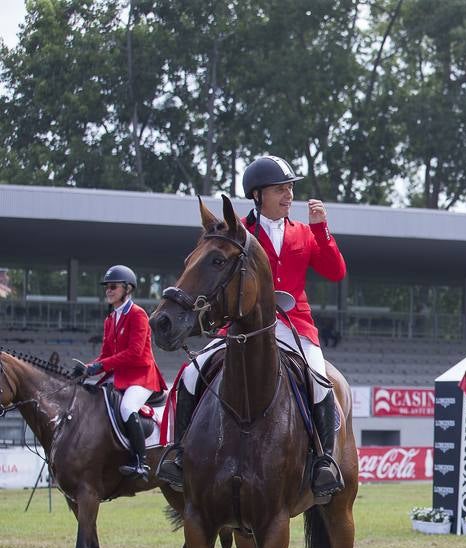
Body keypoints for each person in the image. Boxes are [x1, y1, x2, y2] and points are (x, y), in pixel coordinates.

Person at [158, 155, 348, 500]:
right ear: (258, 195)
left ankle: (322, 462)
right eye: (281, 189)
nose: (289, 195)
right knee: (189, 375)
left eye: (290, 188)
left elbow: (335, 272)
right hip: (241, 323)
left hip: (294, 323)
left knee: (320, 382)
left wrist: (321, 229)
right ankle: (179, 455)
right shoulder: (237, 233)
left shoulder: (304, 234)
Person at [73, 265, 167, 479]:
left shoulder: (138, 314)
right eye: (107, 287)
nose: (109, 290)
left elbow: (134, 353)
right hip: (120, 376)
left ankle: (140, 462)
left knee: (127, 407)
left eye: (113, 286)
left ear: (127, 288)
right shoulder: (110, 320)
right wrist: (88, 368)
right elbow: (105, 355)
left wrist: (102, 366)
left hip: (142, 376)